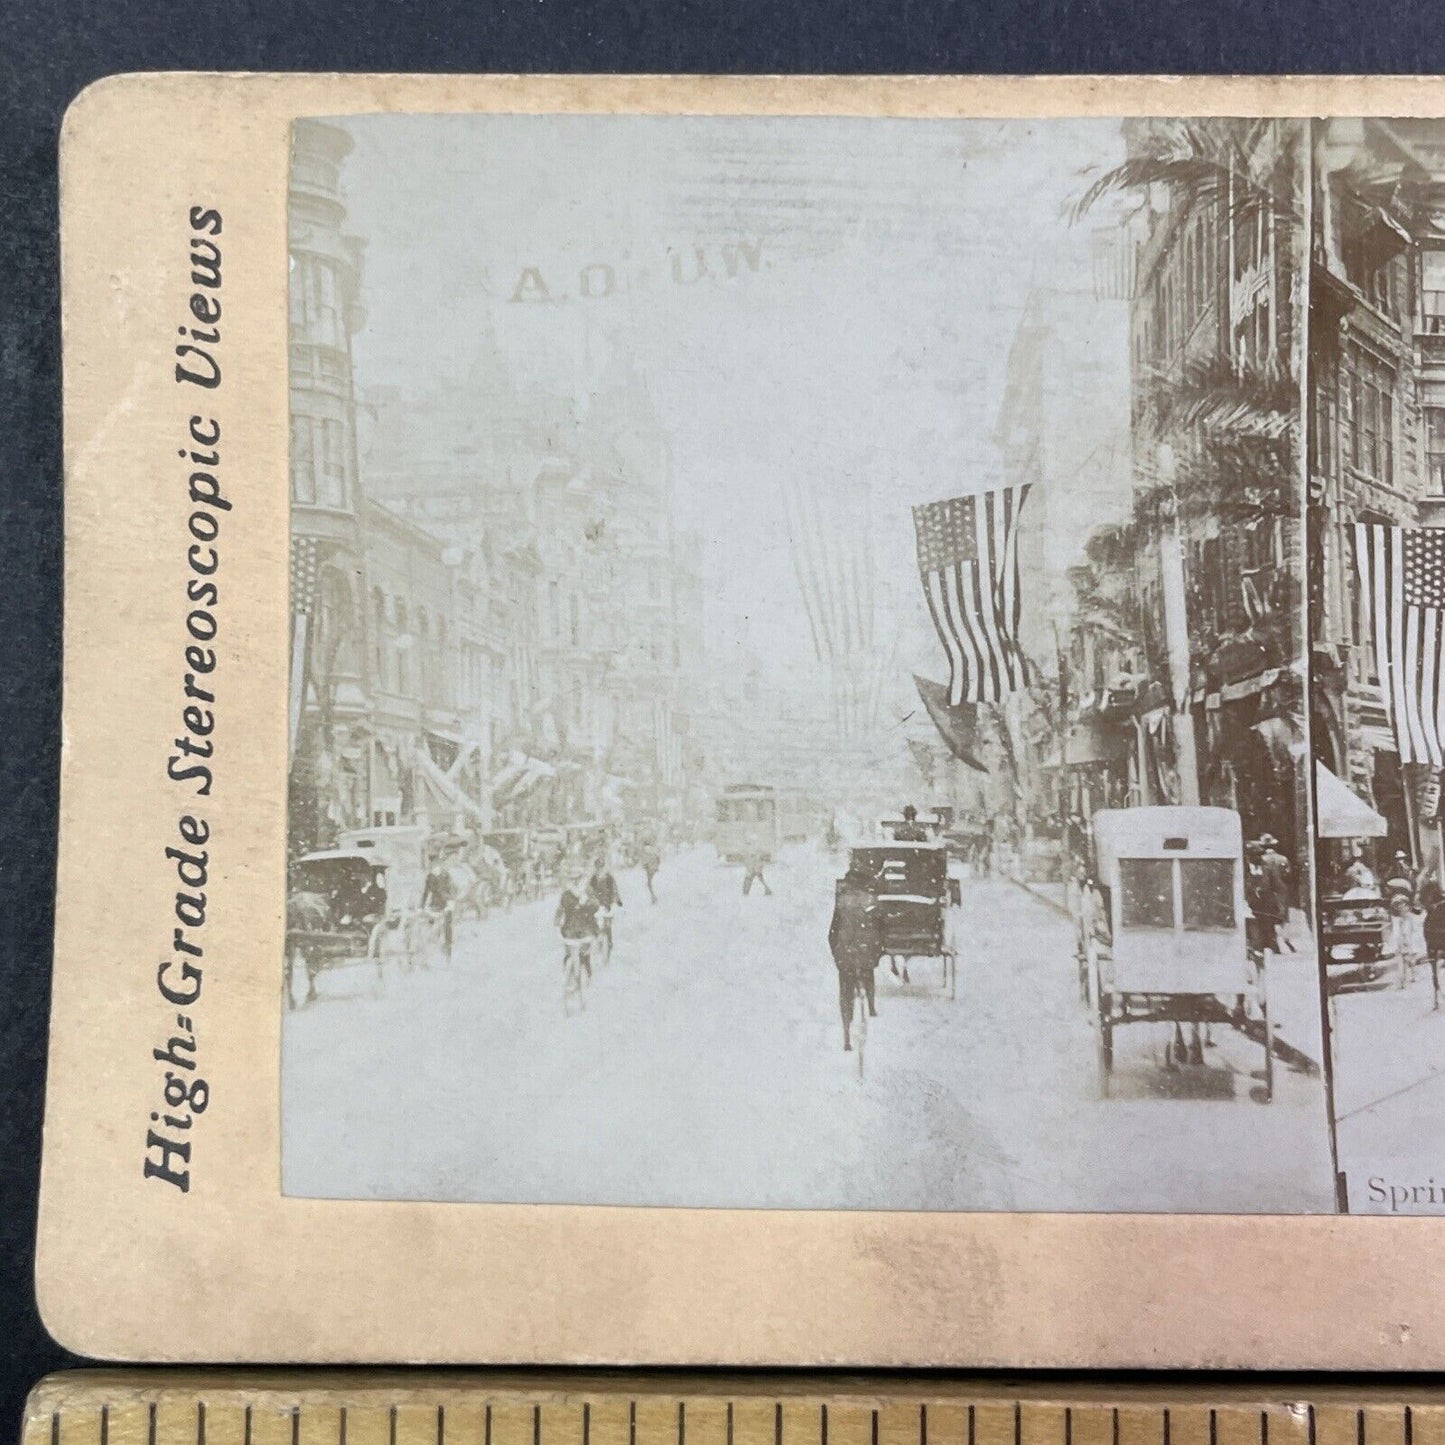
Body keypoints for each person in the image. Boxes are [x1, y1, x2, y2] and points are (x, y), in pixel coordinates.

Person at [828, 863, 882, 1051]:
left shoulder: (842, 902)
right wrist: (877, 953)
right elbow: (880, 930)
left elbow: (832, 933)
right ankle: (872, 1004)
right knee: (868, 972)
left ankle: (846, 1034)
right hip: (866, 953)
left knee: (845, 990)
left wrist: (837, 954)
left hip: (846, 955)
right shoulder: (872, 901)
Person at [554, 867, 600, 980]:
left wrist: (586, 903)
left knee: (585, 956)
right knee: (568, 954)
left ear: (581, 878)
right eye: (572, 879)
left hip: (586, 928)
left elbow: (596, 905)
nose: (575, 881)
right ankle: (568, 978)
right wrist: (556, 921)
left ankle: (587, 978)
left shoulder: (588, 891)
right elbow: (560, 908)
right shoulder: (567, 893)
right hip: (570, 928)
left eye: (577, 878)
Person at [587, 856, 623, 955]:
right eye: (598, 867)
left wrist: (617, 899)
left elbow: (614, 889)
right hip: (597, 904)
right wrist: (590, 899)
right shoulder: (593, 878)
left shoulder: (609, 877)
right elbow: (589, 890)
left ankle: (609, 943)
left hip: (608, 904)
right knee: (595, 922)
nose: (599, 869)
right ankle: (599, 940)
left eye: (601, 866)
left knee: (608, 925)